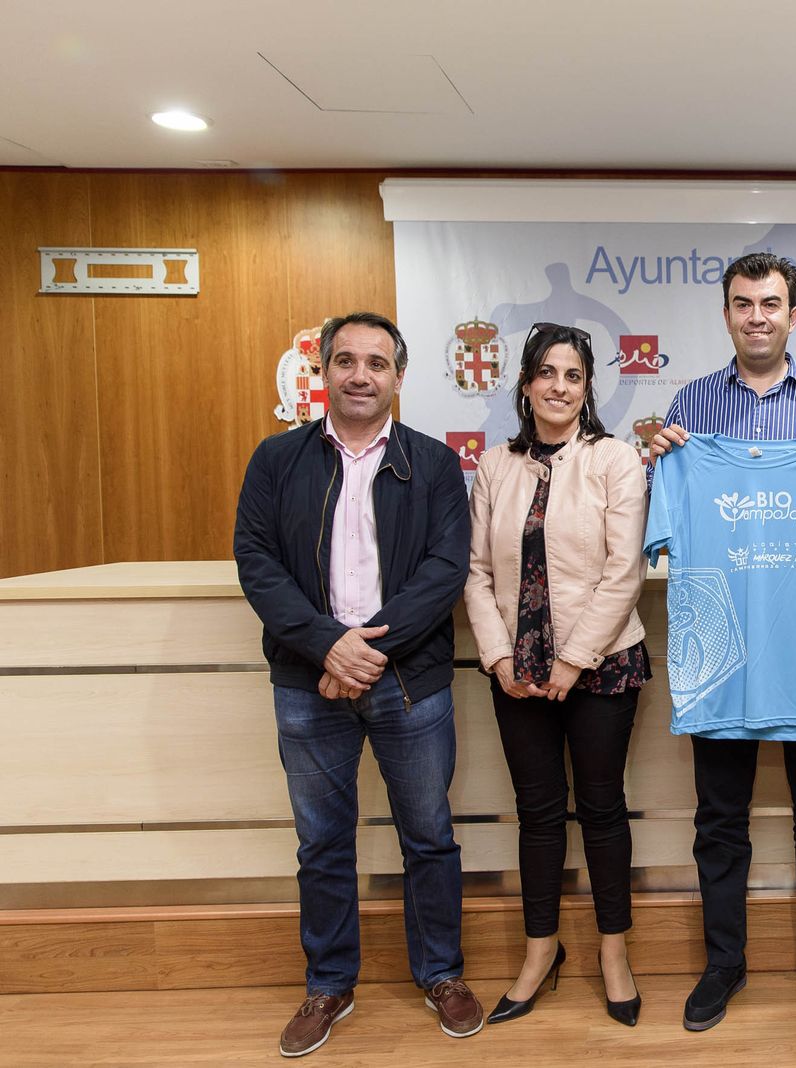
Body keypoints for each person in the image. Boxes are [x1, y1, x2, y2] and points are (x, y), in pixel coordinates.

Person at [233, 311, 480, 1057]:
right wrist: (326, 647)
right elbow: (256, 561)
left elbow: (446, 569)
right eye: (346, 360)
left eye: (377, 362)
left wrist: (366, 652)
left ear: (399, 377)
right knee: (322, 843)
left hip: (409, 682)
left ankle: (440, 973)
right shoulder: (276, 460)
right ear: (325, 371)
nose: (361, 375)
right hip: (309, 682)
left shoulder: (434, 465)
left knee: (430, 838)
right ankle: (329, 984)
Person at [648, 252, 796, 1031]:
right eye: (743, 303)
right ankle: (723, 965)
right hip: (722, 658)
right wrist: (660, 464)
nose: (757, 315)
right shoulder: (690, 409)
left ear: (794, 314)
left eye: (771, 303)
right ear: (726, 314)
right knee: (719, 818)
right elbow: (660, 521)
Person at [463, 323, 651, 1027]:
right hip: (516, 670)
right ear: (524, 383)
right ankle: (540, 951)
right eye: (546, 373)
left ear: (588, 387)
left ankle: (613, 952)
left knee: (601, 810)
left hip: (600, 666)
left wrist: (572, 662)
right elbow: (477, 574)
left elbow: (622, 571)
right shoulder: (494, 466)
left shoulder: (616, 460)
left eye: (572, 376)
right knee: (538, 816)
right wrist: (500, 657)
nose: (558, 387)